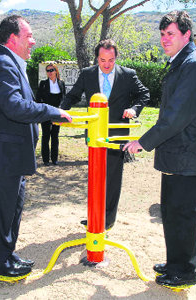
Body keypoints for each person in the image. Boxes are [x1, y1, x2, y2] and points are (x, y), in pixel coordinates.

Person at [0, 15, 72, 281]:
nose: (33, 41)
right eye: (29, 36)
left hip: (9, 158)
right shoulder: (1, 63)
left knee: (12, 209)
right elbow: (14, 106)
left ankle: (8, 255)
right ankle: (0, 266)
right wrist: (52, 110)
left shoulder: (10, 62)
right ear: (12, 38)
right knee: (1, 212)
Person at [123, 11, 196, 288]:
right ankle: (175, 263)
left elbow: (176, 116)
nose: (164, 39)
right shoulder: (182, 63)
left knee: (183, 215)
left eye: (170, 34)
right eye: (162, 34)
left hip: (188, 156)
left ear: (187, 35)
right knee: (172, 212)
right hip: (179, 155)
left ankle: (185, 272)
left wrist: (143, 142)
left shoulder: (194, 66)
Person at [60, 39, 150, 231]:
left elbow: (144, 94)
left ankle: (107, 219)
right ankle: (95, 216)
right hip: (94, 135)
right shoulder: (87, 74)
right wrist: (61, 111)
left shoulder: (128, 75)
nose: (107, 64)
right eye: (102, 60)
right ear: (97, 58)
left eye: (111, 60)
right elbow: (73, 95)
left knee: (112, 178)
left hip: (116, 136)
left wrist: (134, 109)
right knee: (95, 177)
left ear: (116, 57)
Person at [36, 63, 66, 166]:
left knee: (55, 136)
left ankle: (54, 159)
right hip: (46, 112)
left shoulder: (61, 83)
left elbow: (63, 98)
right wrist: (41, 110)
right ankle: (45, 160)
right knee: (45, 135)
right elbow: (38, 98)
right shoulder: (43, 83)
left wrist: (61, 110)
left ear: (56, 71)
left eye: (52, 70)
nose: (50, 72)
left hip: (57, 113)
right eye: (48, 71)